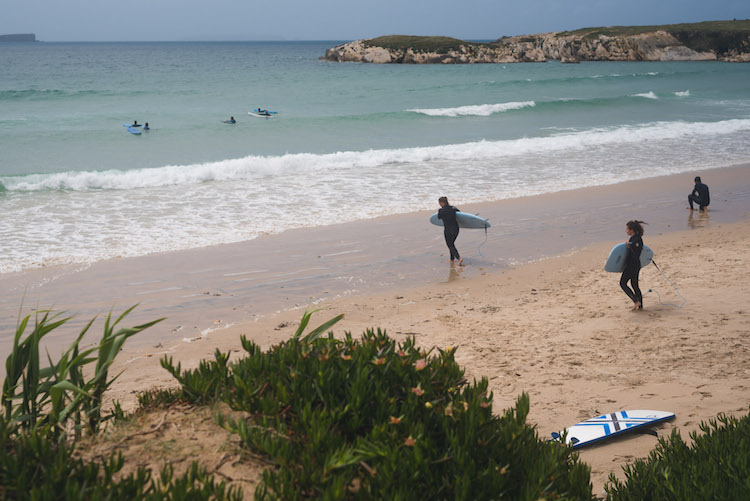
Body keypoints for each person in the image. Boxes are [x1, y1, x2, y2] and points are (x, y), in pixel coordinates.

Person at [621, 220, 647, 311]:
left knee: (623, 283)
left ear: (631, 230)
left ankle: (636, 301)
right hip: (636, 265)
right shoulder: (634, 238)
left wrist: (629, 248)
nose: (625, 230)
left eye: (627, 228)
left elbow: (635, 254)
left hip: (632, 265)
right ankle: (640, 306)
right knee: (634, 285)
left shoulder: (636, 240)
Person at [437, 196, 462, 266]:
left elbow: (438, 217)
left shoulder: (441, 210)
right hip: (456, 229)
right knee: (451, 244)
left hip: (448, 229)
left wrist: (440, 210)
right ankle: (452, 258)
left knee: (450, 244)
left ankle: (459, 258)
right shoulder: (454, 208)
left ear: (442, 203)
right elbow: (460, 214)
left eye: (439, 203)